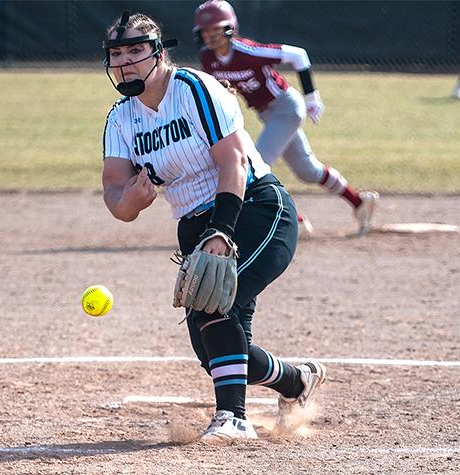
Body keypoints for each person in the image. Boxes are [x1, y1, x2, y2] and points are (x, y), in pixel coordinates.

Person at [101, 11, 326, 443]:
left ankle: (233, 419)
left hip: (253, 209)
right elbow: (115, 194)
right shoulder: (120, 118)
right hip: (192, 223)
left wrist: (222, 232)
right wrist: (128, 201)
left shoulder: (193, 88)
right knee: (213, 351)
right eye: (117, 53)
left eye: (135, 50)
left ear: (159, 53)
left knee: (212, 305)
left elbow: (233, 162)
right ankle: (296, 381)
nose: (126, 62)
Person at [193, 0, 379, 237]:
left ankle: (295, 221)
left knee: (255, 165)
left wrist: (312, 97)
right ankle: (360, 202)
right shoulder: (207, 59)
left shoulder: (247, 51)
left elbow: (298, 55)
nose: (211, 35)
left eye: (216, 29)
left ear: (230, 28)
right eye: (206, 30)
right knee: (308, 170)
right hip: (267, 114)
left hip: (286, 107)